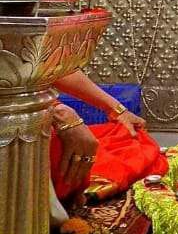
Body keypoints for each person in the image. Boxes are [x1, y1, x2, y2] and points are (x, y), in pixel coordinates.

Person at [49, 70, 164, 210]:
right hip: (25, 119)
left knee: (130, 138)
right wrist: (55, 113)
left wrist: (118, 111)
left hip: (42, 107)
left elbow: (53, 67)